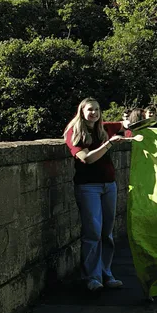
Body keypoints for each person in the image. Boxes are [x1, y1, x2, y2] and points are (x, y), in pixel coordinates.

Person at [64, 98, 128, 292]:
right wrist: (108, 144)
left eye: (97, 109)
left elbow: (128, 127)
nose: (94, 113)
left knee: (107, 233)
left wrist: (133, 126)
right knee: (93, 232)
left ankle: (106, 273)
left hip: (109, 185)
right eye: (90, 110)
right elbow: (87, 159)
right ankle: (92, 277)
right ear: (81, 112)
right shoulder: (74, 133)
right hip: (88, 187)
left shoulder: (103, 128)